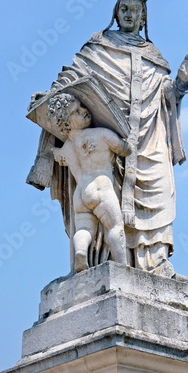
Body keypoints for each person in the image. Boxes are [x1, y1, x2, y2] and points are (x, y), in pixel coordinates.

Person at [27, 0, 188, 277]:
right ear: (116, 11)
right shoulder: (97, 47)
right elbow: (72, 81)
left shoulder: (154, 55)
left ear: (144, 15)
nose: (130, 14)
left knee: (162, 191)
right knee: (107, 205)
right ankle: (106, 263)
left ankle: (157, 262)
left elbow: (164, 94)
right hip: (110, 140)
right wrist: (50, 97)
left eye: (136, 9)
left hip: (148, 138)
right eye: (124, 8)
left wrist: (179, 85)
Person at [47, 93, 131, 272]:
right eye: (77, 111)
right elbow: (125, 150)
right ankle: (123, 267)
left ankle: (81, 253)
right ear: (67, 124)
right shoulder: (101, 134)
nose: (85, 111)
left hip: (80, 194)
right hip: (101, 187)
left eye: (81, 107)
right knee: (115, 226)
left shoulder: (66, 148)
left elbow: (59, 157)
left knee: (84, 228)